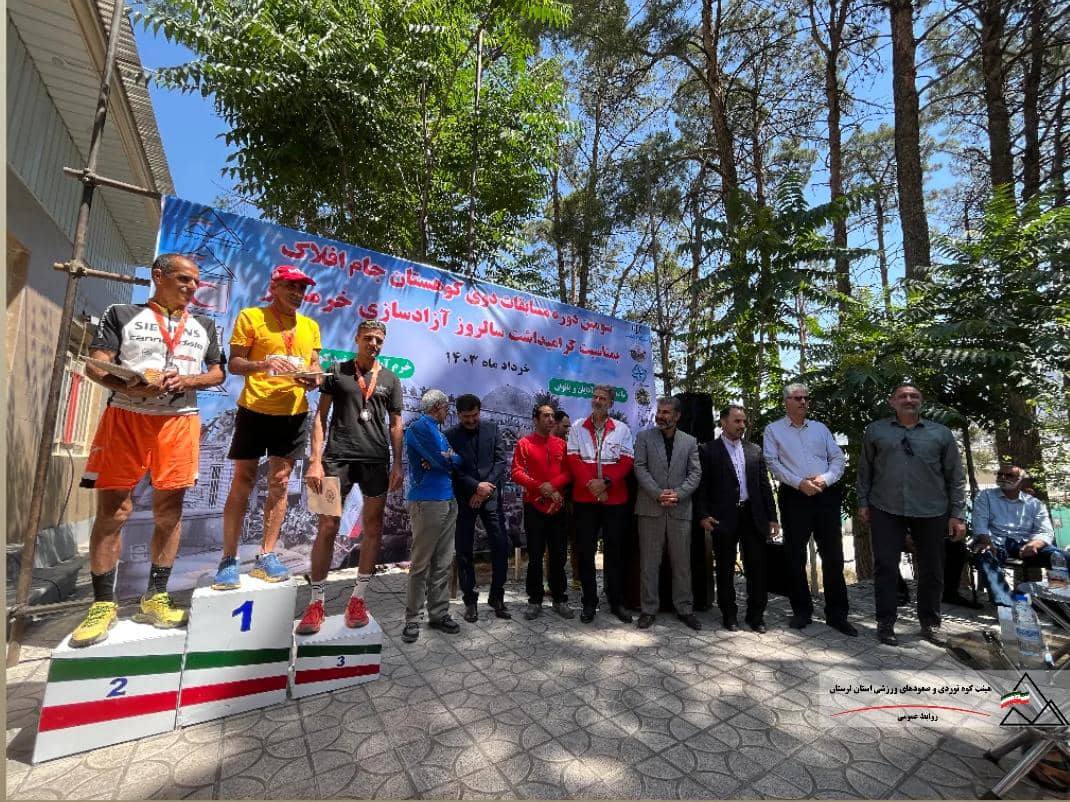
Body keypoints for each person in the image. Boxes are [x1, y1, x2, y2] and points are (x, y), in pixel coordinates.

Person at [72, 254, 225, 647]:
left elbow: (217, 372)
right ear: (159, 276)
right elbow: (95, 365)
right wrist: (129, 386)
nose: (191, 287)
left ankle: (155, 596)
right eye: (184, 279)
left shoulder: (205, 325)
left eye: (196, 282)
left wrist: (187, 380)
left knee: (169, 513)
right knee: (114, 511)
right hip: (126, 417)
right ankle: (102, 604)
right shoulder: (121, 314)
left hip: (179, 421)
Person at [214, 265, 321, 588]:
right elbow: (235, 363)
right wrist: (264, 363)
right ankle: (229, 558)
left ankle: (267, 554)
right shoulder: (251, 317)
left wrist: (314, 378)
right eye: (291, 286)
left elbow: (315, 367)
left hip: (293, 413)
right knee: (243, 480)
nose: (298, 293)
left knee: (280, 482)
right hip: (255, 408)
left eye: (302, 288)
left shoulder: (310, 326)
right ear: (274, 287)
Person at [296, 320, 405, 634]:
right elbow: (320, 417)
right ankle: (315, 603)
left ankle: (358, 599)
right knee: (327, 527)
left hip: (375, 461)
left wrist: (398, 464)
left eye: (379, 340)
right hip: (335, 460)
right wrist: (315, 461)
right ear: (357, 338)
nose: (374, 344)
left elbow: (395, 425)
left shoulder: (391, 379)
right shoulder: (336, 371)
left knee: (373, 528)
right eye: (368, 338)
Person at [857, 383, 966, 646]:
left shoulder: (940, 433)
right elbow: (865, 470)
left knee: (932, 568)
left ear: (921, 401)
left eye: (914, 396)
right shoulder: (876, 430)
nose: (909, 399)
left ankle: (930, 623)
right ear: (892, 402)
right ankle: (885, 624)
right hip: (885, 507)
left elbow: (955, 476)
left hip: (932, 510)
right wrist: (863, 502)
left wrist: (957, 514)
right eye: (903, 396)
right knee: (885, 567)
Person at [763, 383, 857, 636]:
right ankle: (802, 611)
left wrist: (825, 479)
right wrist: (799, 483)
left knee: (833, 556)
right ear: (786, 402)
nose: (803, 402)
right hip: (795, 496)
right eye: (797, 398)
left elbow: (837, 458)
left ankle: (837, 614)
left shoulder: (820, 429)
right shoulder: (773, 430)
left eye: (806, 398)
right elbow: (772, 462)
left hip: (825, 495)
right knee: (795, 556)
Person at [695, 405, 779, 633]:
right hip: (723, 518)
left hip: (753, 516)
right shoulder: (708, 450)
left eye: (743, 421)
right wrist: (703, 515)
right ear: (723, 422)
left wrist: (772, 518)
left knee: (757, 568)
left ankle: (756, 616)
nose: (742, 425)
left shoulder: (754, 450)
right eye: (737, 421)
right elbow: (701, 487)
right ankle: (729, 615)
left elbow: (764, 487)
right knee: (725, 568)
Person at [566, 385, 635, 624]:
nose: (597, 400)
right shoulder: (577, 427)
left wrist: (605, 483)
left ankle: (616, 601)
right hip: (585, 499)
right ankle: (589, 602)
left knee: (615, 552)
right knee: (585, 552)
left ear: (610, 404)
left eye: (602, 398)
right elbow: (573, 459)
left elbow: (626, 461)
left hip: (614, 499)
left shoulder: (622, 429)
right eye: (595, 397)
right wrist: (592, 485)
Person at [633, 398, 703, 630]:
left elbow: (695, 473)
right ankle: (648, 609)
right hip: (650, 508)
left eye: (666, 412)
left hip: (679, 509)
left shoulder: (690, 441)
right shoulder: (644, 437)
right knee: (649, 563)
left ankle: (684, 608)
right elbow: (639, 467)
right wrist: (657, 493)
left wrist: (678, 494)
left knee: (682, 563)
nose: (661, 416)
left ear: (677, 416)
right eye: (659, 411)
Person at [401, 390, 463, 643]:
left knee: (443, 562)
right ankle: (412, 619)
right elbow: (443, 461)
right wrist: (445, 458)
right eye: (446, 407)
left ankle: (438, 614)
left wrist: (447, 458)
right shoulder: (419, 428)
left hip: (448, 499)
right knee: (421, 564)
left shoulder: (438, 432)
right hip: (427, 501)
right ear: (438, 406)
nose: (448, 412)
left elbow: (457, 461)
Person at [445, 394, 511, 622]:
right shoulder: (450, 436)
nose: (471, 420)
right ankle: (470, 601)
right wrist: (475, 487)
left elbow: (500, 462)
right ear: (458, 415)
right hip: (465, 499)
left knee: (500, 545)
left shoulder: (493, 429)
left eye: (474, 415)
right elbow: (454, 470)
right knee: (464, 550)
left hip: (489, 497)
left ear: (479, 412)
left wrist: (484, 490)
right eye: (466, 417)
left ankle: (497, 597)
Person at [512, 404, 573, 620]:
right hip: (534, 506)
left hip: (557, 506)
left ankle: (560, 598)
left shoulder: (562, 445)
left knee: (558, 555)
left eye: (552, 416)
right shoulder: (524, 443)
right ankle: (535, 600)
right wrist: (540, 487)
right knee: (535, 555)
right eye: (546, 416)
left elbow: (569, 472)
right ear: (535, 419)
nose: (551, 420)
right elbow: (516, 472)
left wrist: (552, 486)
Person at [970, 464, 1058, 607]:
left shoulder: (1034, 504)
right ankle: (1008, 605)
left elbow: (1046, 531)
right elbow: (980, 523)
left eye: (1009, 475)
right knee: (985, 554)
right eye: (1000, 474)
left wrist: (1034, 544)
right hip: (996, 542)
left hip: (1026, 543)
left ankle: (1056, 604)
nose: (1003, 477)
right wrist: (986, 542)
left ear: (1021, 481)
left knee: (1060, 557)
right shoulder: (986, 496)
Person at [552, 409, 581, 590]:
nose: (568, 430)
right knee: (554, 545)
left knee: (577, 541)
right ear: (554, 424)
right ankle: (552, 581)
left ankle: (577, 579)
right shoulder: (546, 445)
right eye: (565, 426)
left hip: (573, 501)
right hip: (552, 501)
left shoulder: (572, 446)